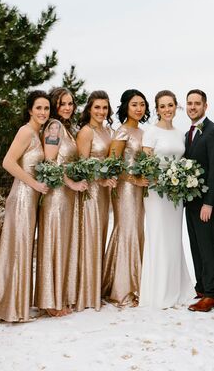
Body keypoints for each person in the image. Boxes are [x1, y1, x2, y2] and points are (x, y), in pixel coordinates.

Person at [0, 90, 50, 322]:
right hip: (23, 196)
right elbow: (8, 162)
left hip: (32, 196)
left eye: (46, 108)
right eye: (39, 108)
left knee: (22, 248)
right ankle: (10, 307)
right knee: (19, 247)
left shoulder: (38, 132)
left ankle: (17, 304)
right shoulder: (25, 131)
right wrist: (34, 183)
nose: (43, 112)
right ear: (29, 110)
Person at [34, 87, 88, 317]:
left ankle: (61, 295)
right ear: (55, 105)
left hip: (67, 196)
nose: (67, 107)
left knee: (64, 243)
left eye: (71, 103)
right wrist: (72, 183)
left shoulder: (66, 129)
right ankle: (50, 301)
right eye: (62, 103)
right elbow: (50, 162)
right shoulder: (54, 127)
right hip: (56, 195)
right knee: (54, 243)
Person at [139, 90, 193, 308]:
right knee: (159, 237)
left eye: (170, 105)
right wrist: (162, 179)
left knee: (173, 238)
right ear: (157, 109)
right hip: (156, 192)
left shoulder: (181, 134)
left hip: (176, 194)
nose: (167, 110)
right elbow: (146, 164)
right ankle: (159, 292)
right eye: (162, 106)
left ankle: (177, 288)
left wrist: (179, 178)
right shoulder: (151, 132)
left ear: (176, 106)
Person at [102, 89, 150, 307]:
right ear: (125, 107)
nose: (139, 108)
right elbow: (113, 165)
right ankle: (122, 290)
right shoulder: (121, 132)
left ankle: (132, 282)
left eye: (142, 104)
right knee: (127, 231)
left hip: (139, 189)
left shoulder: (142, 132)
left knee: (135, 231)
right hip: (125, 189)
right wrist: (134, 179)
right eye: (134, 104)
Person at [71, 90, 115, 311]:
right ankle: (86, 293)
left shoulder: (108, 131)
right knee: (90, 238)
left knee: (99, 237)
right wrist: (101, 179)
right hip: (90, 193)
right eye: (97, 107)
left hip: (104, 194)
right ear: (89, 109)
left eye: (105, 107)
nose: (101, 111)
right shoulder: (86, 132)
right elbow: (81, 166)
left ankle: (95, 288)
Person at [183, 89, 214, 313]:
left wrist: (209, 203)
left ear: (205, 106)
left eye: (197, 103)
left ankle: (212, 293)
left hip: (205, 203)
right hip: (191, 202)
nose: (192, 107)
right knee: (196, 245)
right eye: (189, 103)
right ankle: (201, 287)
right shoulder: (189, 133)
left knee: (208, 245)